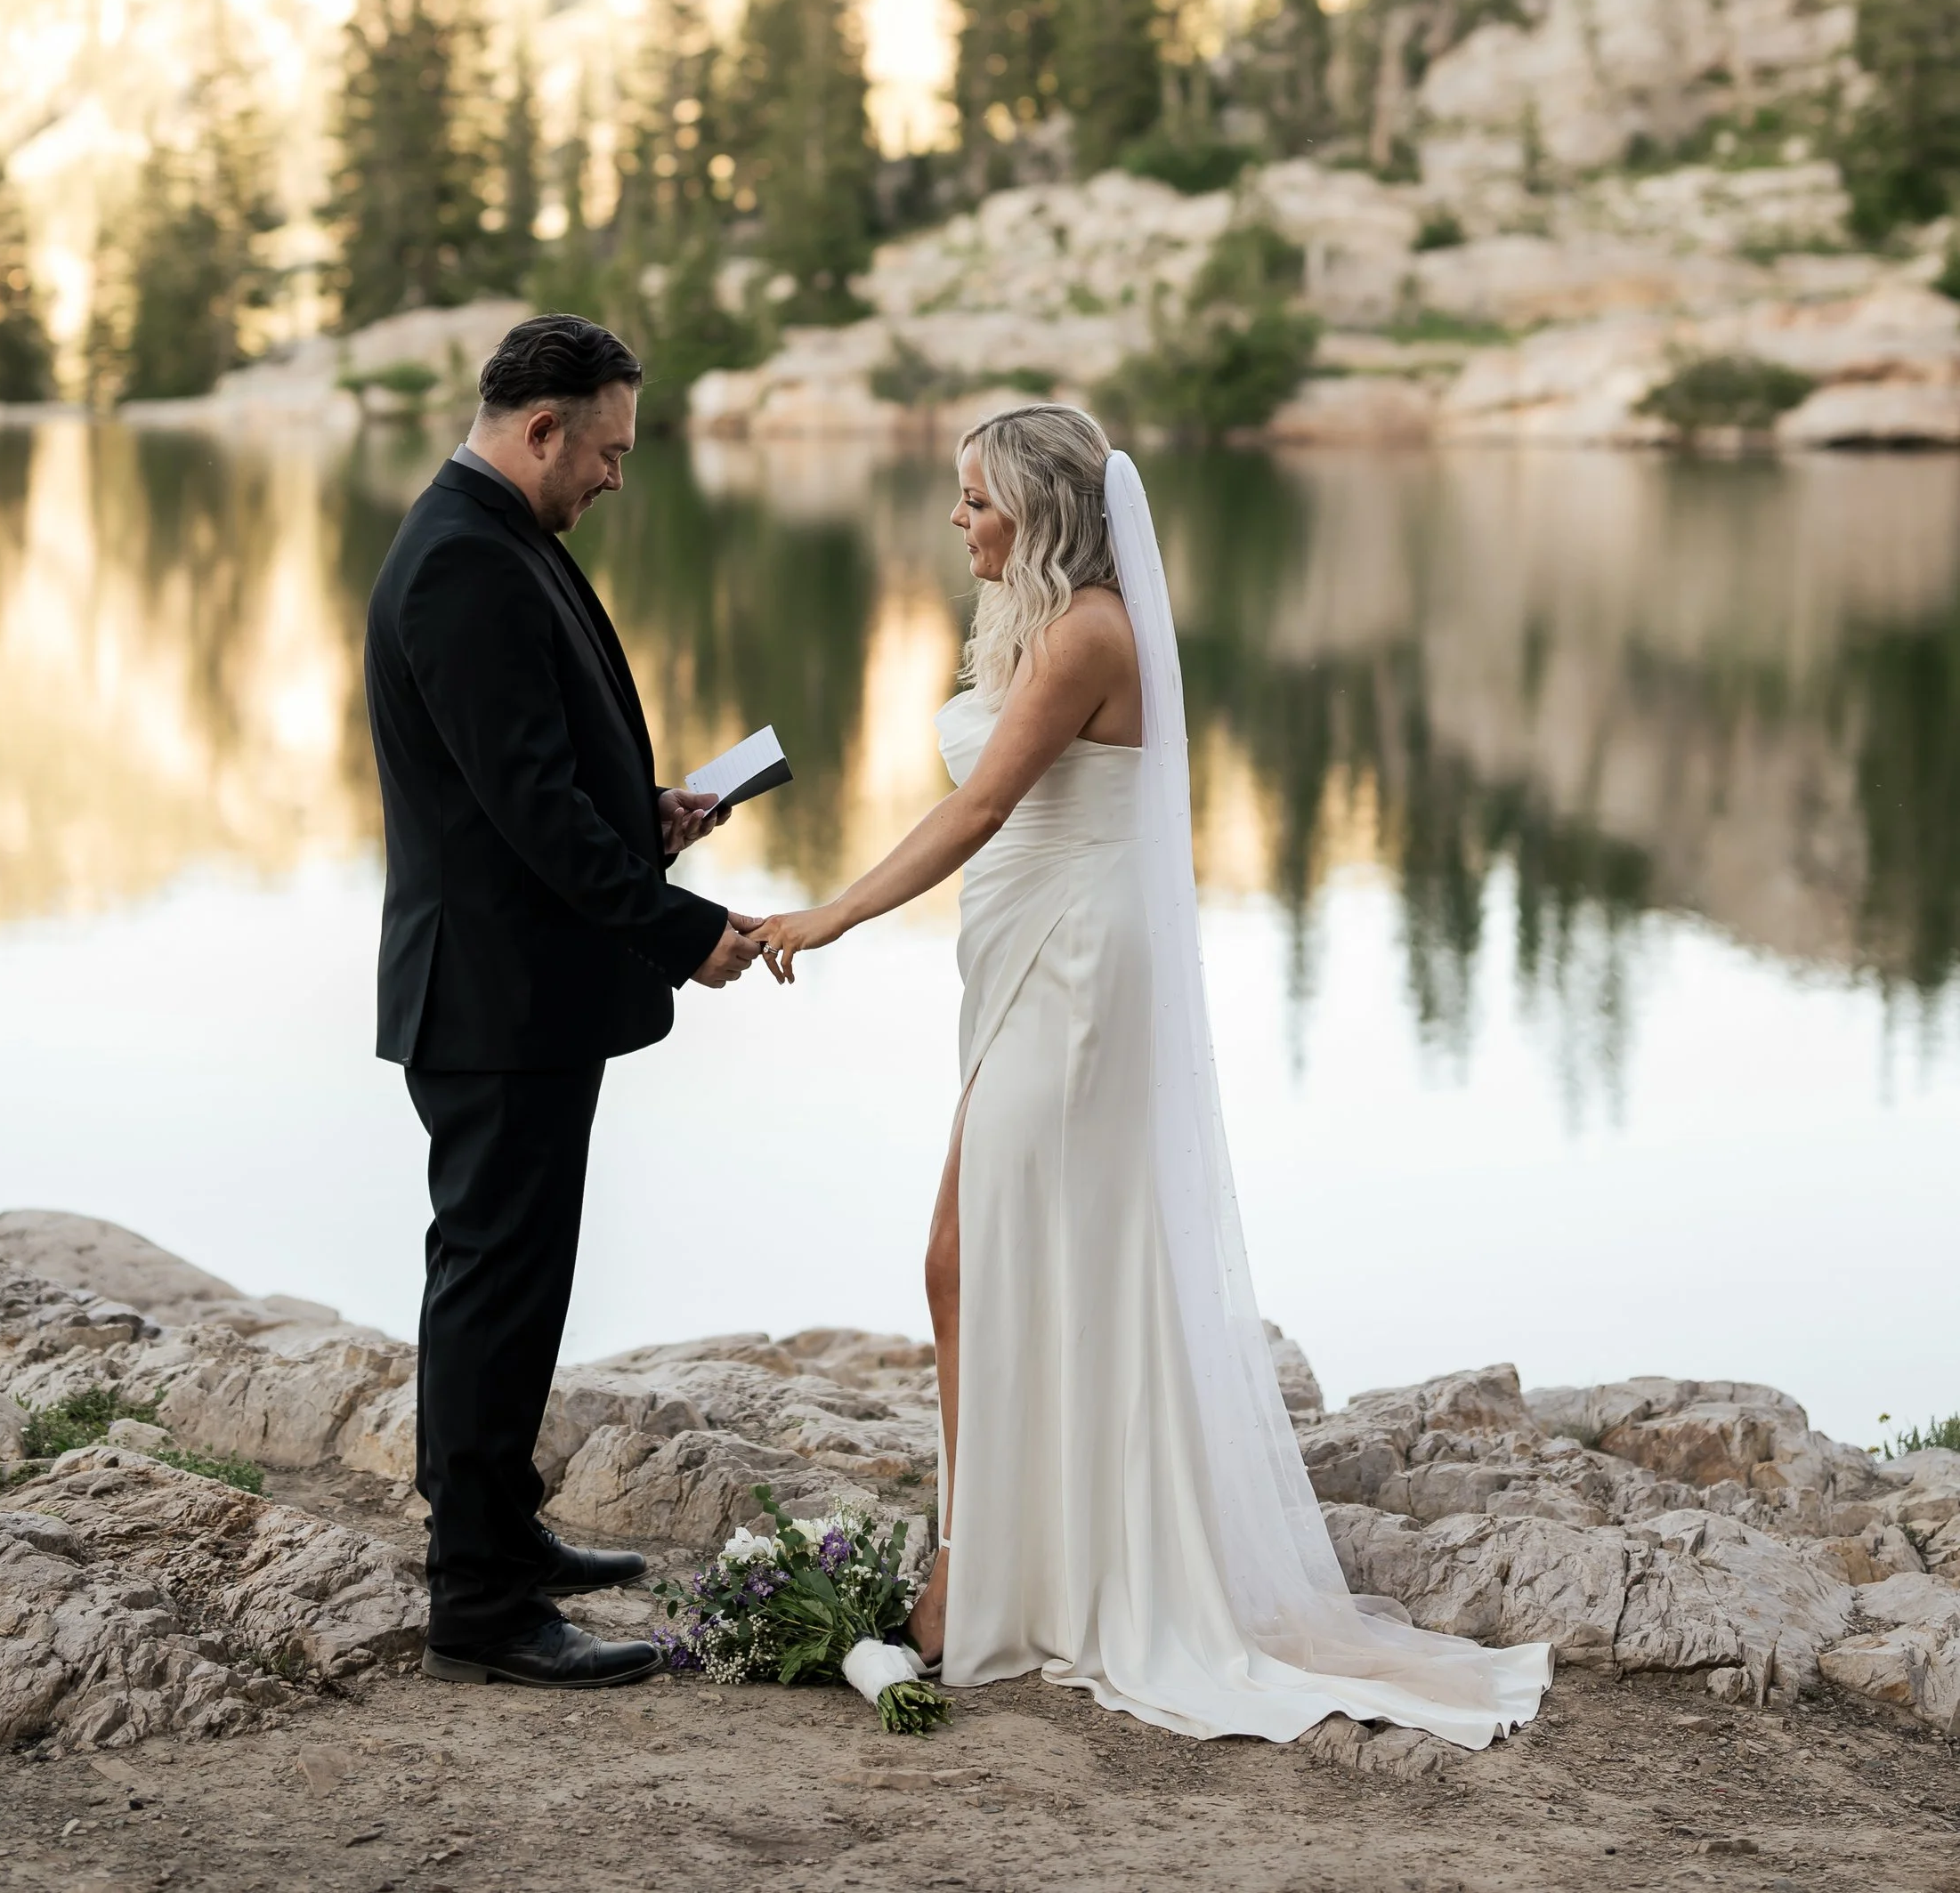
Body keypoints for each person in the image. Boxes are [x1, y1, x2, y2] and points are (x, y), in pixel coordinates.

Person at [751, 403, 1550, 1748]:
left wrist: (823, 918)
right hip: (1032, 960)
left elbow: (981, 807)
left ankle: (989, 1571)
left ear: (1045, 508)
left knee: (973, 1251)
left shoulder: (1090, 633)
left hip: (1075, 976)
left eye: (979, 500)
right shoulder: (1040, 623)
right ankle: (1002, 1555)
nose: (959, 521)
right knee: (975, 1255)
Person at [365, 312, 764, 1691]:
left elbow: (530, 781)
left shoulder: (496, 538)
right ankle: (477, 1599)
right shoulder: (465, 562)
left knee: (515, 1277)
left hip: (519, 989)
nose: (612, 477)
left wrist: (641, 815)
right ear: (542, 428)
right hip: (489, 998)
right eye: (605, 450)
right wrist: (678, 928)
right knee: (491, 1279)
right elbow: (528, 811)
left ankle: (503, 1530)